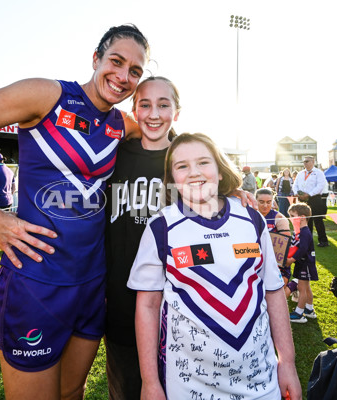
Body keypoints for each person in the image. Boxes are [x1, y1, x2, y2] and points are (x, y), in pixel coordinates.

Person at [0, 24, 150, 399]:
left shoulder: (121, 125)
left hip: (94, 282)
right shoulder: (47, 95)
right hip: (36, 281)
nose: (123, 76)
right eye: (116, 61)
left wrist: (225, 183)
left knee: (72, 392)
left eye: (135, 71)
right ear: (95, 59)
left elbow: (175, 147)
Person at [128, 133, 301, 399]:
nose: (194, 172)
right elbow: (148, 306)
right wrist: (149, 381)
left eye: (203, 162)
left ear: (220, 171)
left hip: (260, 380)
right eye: (182, 166)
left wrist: (286, 362)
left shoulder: (251, 218)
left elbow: (274, 290)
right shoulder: (161, 227)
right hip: (187, 386)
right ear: (172, 178)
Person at [104, 76, 179, 400]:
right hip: (122, 303)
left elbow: (219, 184)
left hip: (180, 308)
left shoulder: (186, 160)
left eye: (164, 104)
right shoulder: (114, 155)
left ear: (177, 111)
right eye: (145, 104)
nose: (153, 114)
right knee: (129, 391)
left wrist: (235, 190)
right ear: (133, 109)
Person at [285, 203, 318, 323]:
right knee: (306, 287)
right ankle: (309, 309)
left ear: (302, 217)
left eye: (292, 215)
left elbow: (303, 249)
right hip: (303, 263)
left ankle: (299, 313)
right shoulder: (301, 231)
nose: (290, 218)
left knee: (302, 288)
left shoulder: (305, 232)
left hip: (306, 264)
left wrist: (291, 260)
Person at [292, 155, 329, 247]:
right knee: (305, 220)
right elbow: (294, 185)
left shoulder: (319, 173)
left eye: (307, 161)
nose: (305, 163)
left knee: (318, 220)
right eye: (304, 161)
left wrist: (309, 194)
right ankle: (307, 240)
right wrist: (297, 193)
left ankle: (323, 241)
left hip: (314, 198)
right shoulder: (300, 173)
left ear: (313, 162)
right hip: (301, 199)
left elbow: (320, 186)